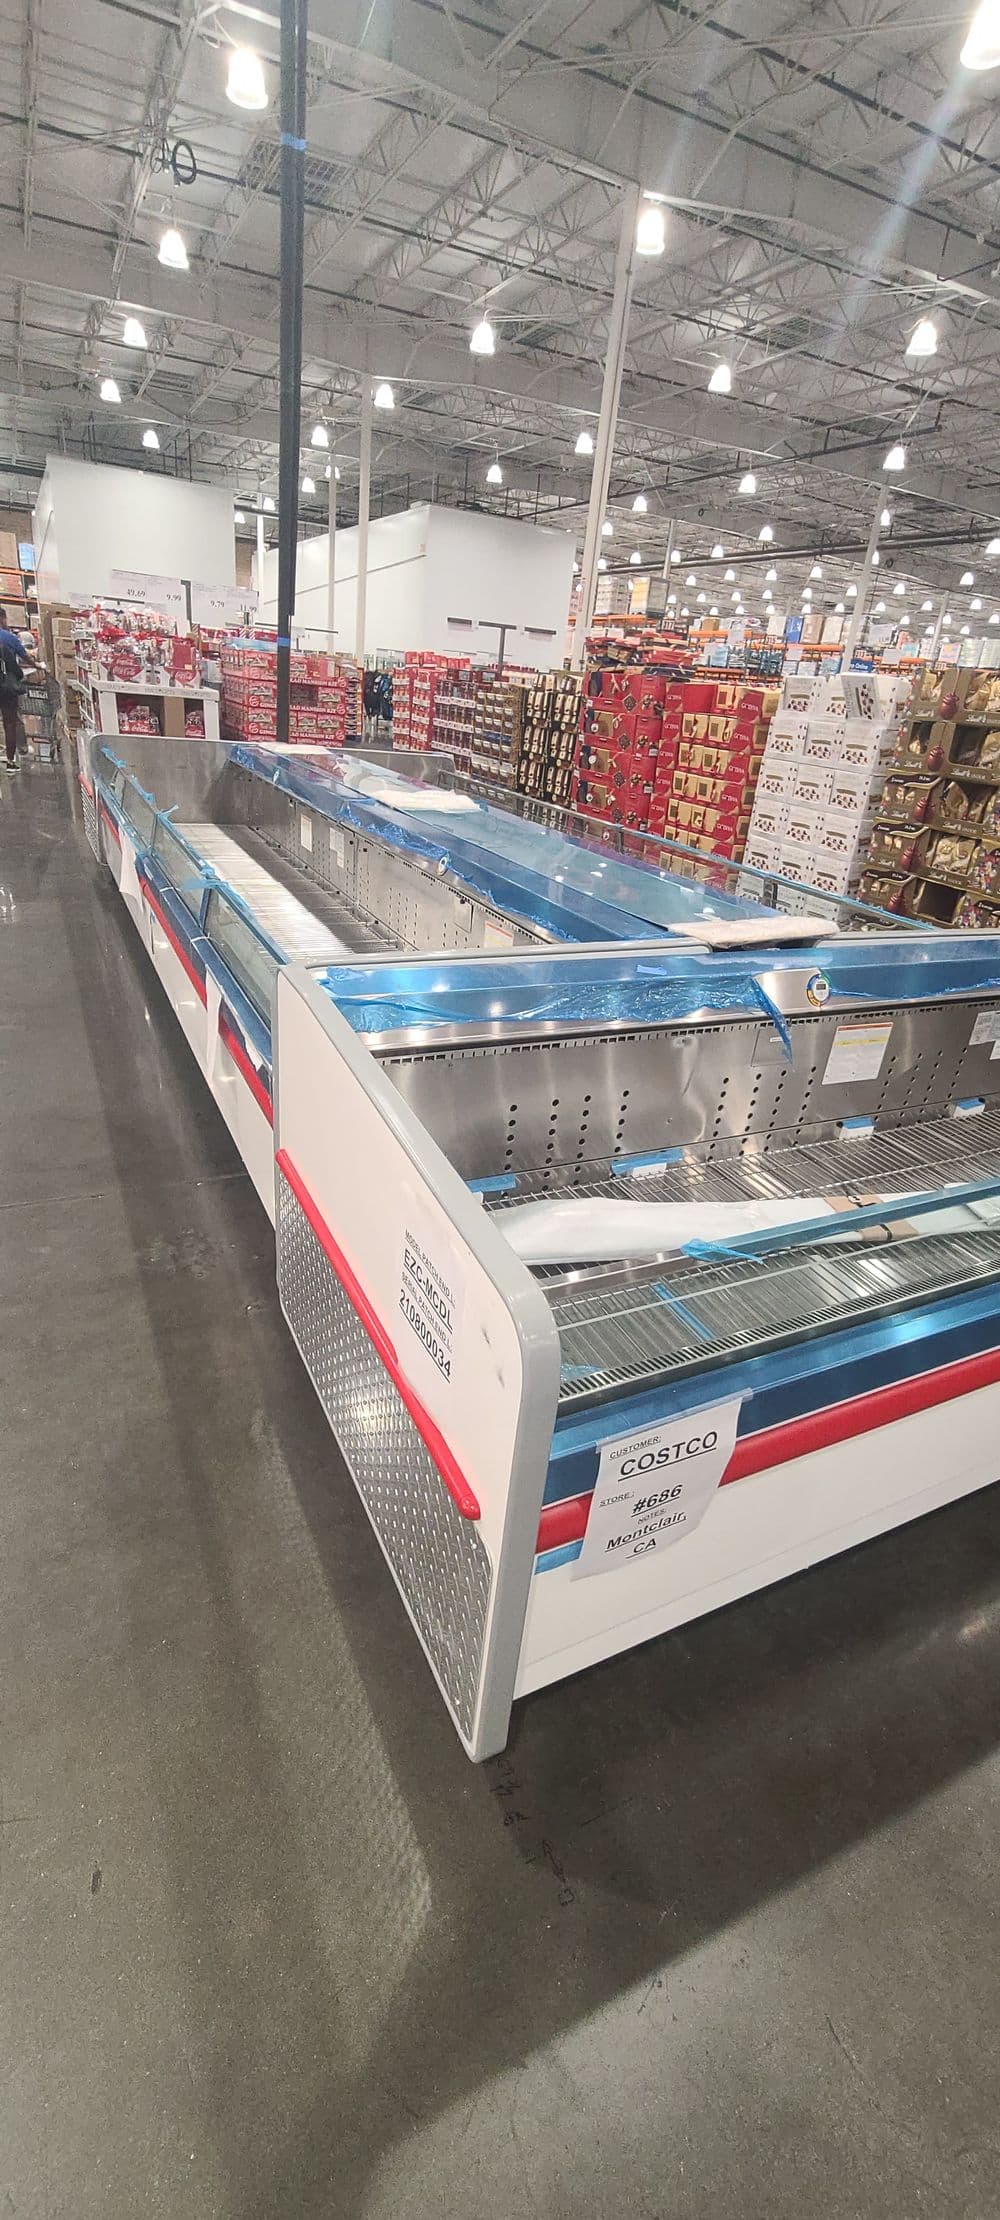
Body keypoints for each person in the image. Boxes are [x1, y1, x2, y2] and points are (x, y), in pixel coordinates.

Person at [0, 606, 38, 770]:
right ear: (2, 618)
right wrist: (38, 665)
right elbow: (26, 657)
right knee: (10, 722)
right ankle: (11, 762)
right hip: (7, 687)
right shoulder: (9, 638)